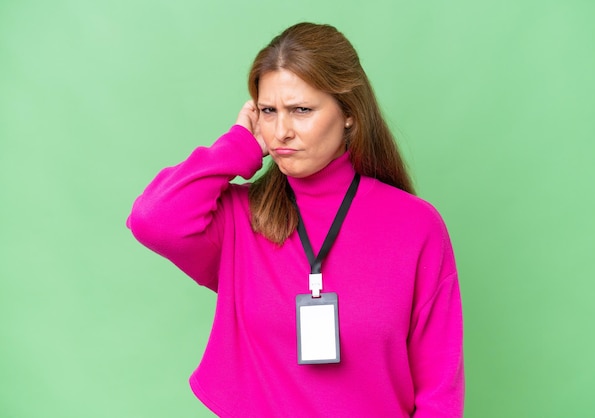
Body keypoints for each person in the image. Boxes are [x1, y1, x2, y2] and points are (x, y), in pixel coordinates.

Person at [127, 22, 464, 417]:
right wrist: (237, 146)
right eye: (269, 111)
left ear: (350, 113)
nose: (281, 131)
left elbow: (439, 390)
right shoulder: (240, 220)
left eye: (301, 110)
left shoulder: (416, 226)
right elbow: (153, 218)